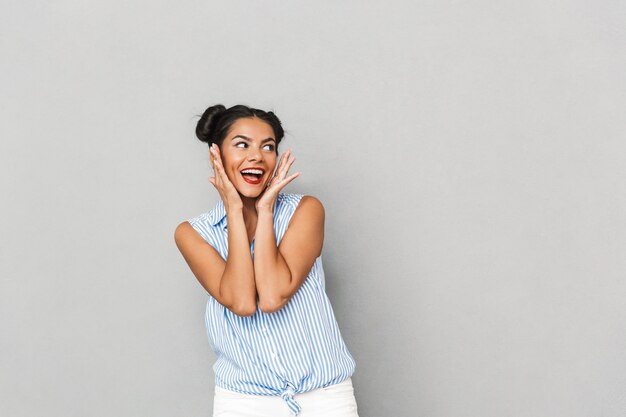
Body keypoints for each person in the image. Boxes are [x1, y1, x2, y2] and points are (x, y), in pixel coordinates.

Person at [174, 104, 359, 417]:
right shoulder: (194, 233)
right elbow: (242, 302)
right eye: (242, 145)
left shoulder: (305, 211)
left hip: (324, 397)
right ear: (215, 155)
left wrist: (266, 211)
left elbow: (272, 296)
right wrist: (233, 209)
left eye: (268, 146)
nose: (257, 156)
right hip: (244, 402)